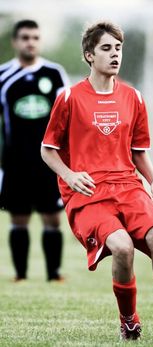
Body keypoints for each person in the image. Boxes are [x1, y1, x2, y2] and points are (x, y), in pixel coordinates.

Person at [41, 21, 153, 342]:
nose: (114, 54)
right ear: (89, 55)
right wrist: (69, 175)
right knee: (121, 247)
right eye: (106, 48)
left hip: (128, 187)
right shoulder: (69, 98)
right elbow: (47, 149)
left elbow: (138, 151)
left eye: (118, 48)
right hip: (89, 193)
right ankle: (129, 321)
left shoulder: (133, 96)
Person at [0, 20, 70, 282]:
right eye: (25, 37)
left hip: (49, 160)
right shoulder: (3, 75)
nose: (30, 42)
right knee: (19, 218)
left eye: (35, 37)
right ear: (15, 42)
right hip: (15, 161)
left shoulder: (54, 73)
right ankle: (20, 274)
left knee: (52, 217)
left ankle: (54, 274)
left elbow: (67, 115)